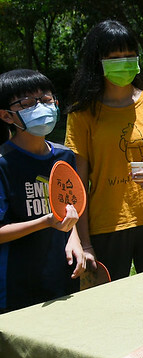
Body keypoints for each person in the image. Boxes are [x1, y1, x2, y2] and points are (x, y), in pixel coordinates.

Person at [65, 20, 143, 281]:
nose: (124, 61)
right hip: (106, 224)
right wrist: (85, 243)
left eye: (129, 55)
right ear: (97, 61)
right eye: (115, 57)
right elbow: (78, 184)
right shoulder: (82, 114)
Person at [0, 69, 85, 313]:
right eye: (27, 103)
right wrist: (47, 221)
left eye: (46, 100)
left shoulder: (64, 156)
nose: (40, 107)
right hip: (16, 285)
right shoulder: (3, 163)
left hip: (61, 275)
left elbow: (71, 207)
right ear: (6, 116)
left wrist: (75, 240)